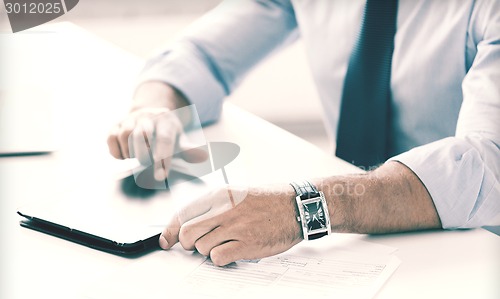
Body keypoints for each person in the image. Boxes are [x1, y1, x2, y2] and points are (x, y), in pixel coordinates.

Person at [107, 0, 499, 266]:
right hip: (357, 246)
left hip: (479, 251)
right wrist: (154, 108)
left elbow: (487, 162)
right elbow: (201, 54)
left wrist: (301, 207)